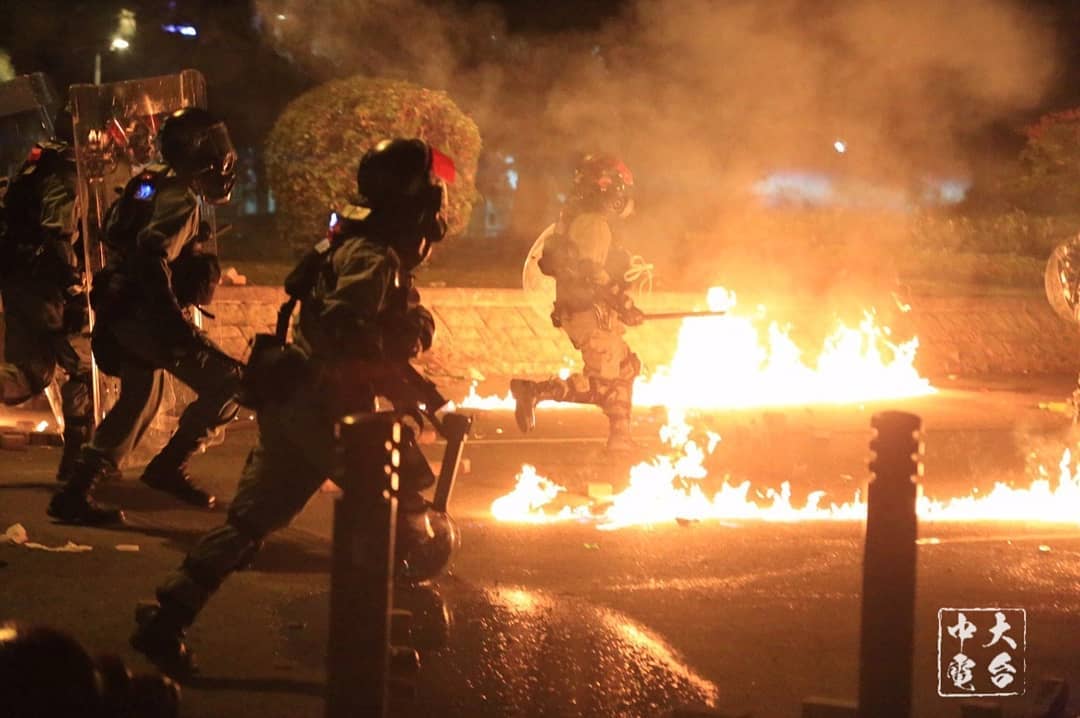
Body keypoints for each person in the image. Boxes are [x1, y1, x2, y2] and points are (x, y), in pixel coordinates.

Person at [130, 138, 455, 677]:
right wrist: (399, 364)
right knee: (398, 516)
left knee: (251, 520)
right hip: (329, 408)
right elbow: (346, 332)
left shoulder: (350, 244)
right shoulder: (373, 256)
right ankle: (373, 640)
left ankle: (168, 618)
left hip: (294, 400)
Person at [47, 107, 241, 526]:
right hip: (145, 313)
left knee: (139, 399)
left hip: (121, 307)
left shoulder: (149, 181)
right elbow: (151, 257)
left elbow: (116, 234)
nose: (224, 155)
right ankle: (168, 466)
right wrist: (173, 324)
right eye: (214, 146)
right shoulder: (182, 197)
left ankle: (74, 493)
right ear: (199, 153)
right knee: (229, 383)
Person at [510, 154, 645, 451]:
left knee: (626, 368)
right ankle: (534, 391)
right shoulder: (594, 223)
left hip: (586, 311)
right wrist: (623, 303)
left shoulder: (576, 218)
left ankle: (620, 439)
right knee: (605, 384)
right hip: (590, 313)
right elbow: (591, 273)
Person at [0, 109, 99, 482]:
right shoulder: (64, 172)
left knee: (30, 373)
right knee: (83, 365)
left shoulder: (40, 161)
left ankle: (76, 462)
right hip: (43, 285)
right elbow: (56, 233)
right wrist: (73, 286)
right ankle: (77, 463)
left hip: (22, 280)